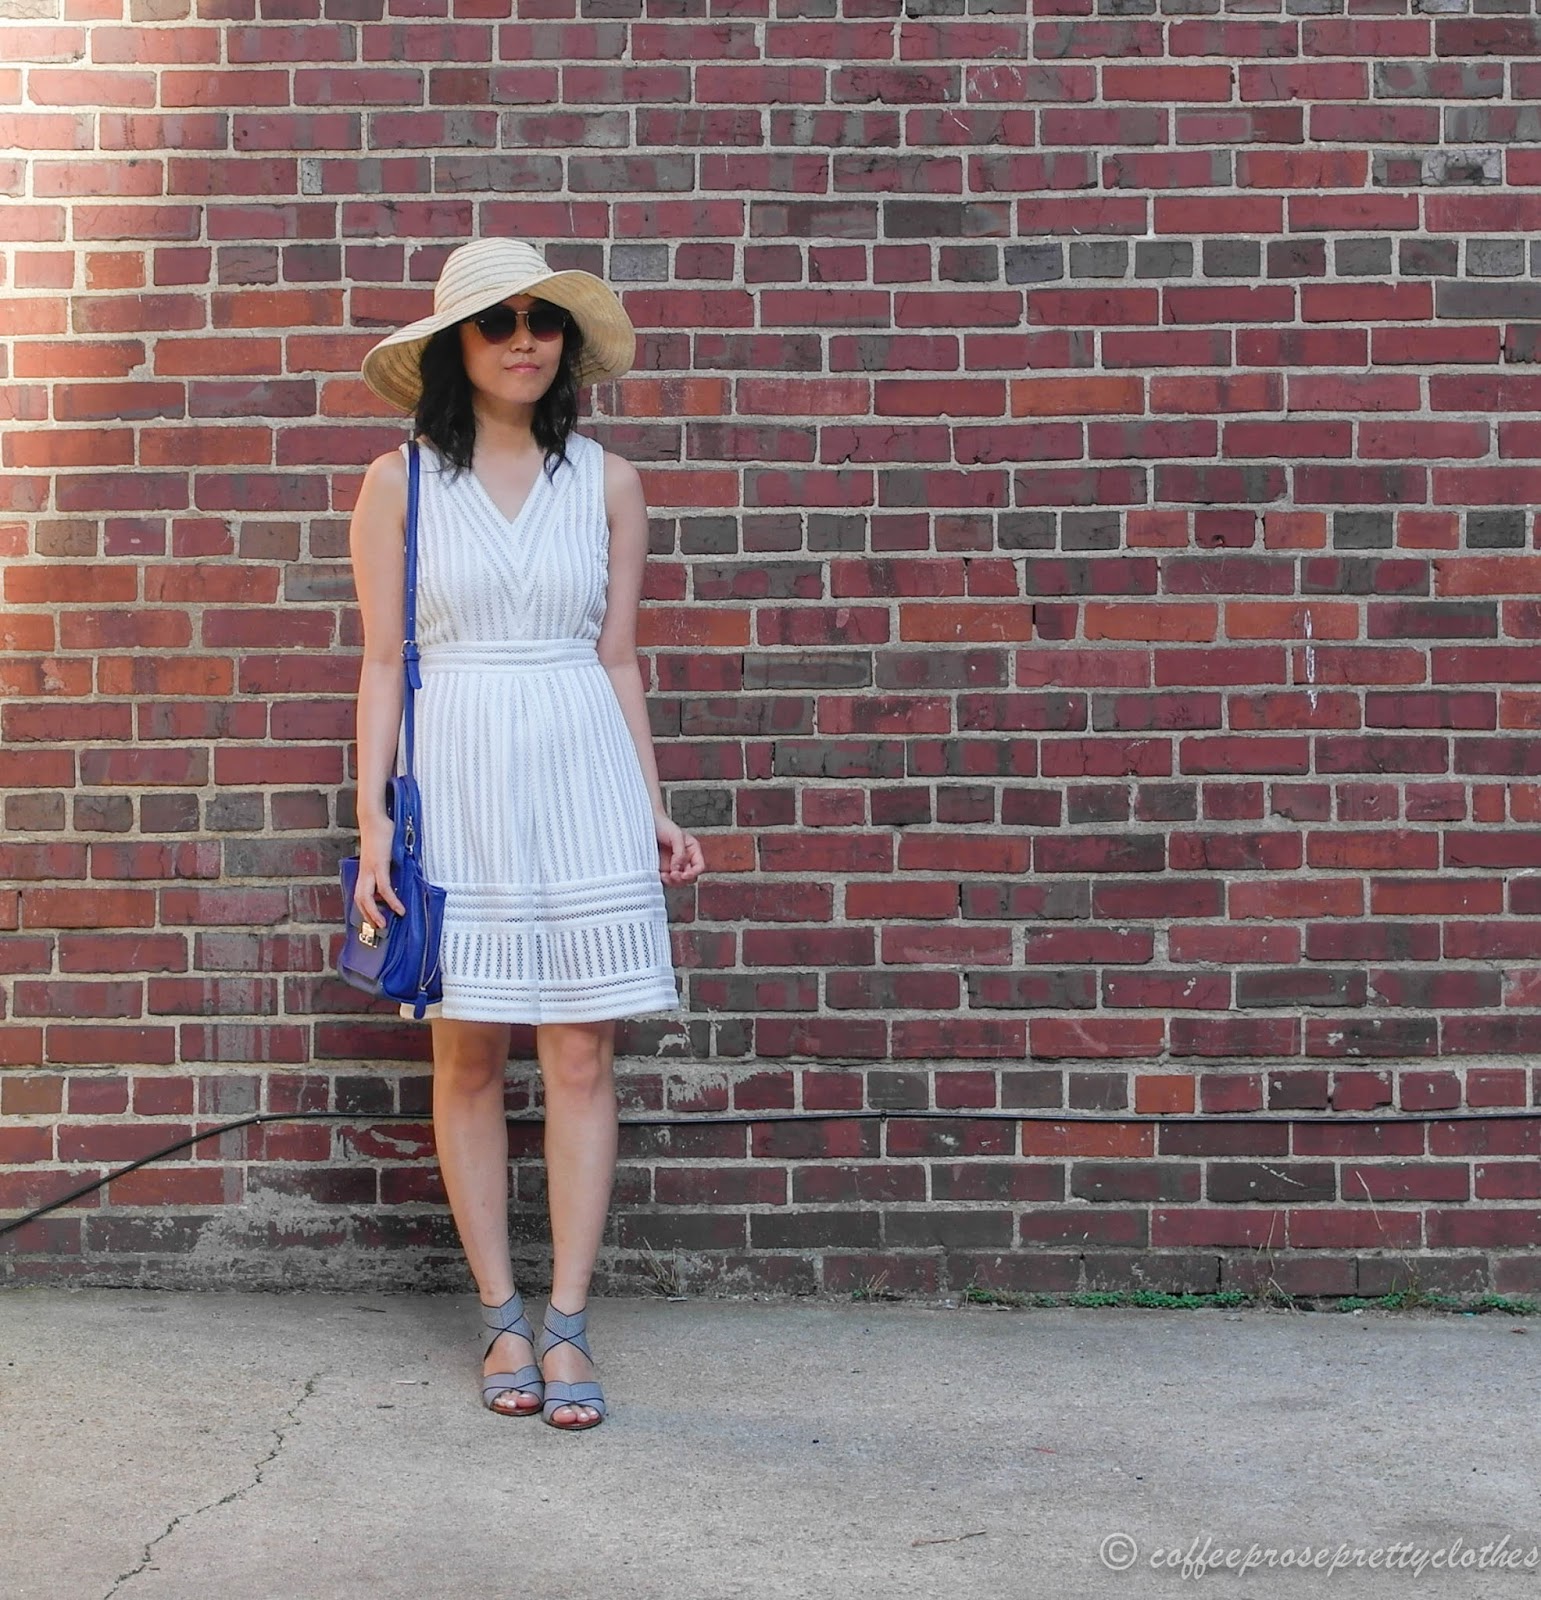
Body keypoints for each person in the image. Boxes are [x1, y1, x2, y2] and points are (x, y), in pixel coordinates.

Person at [347, 236, 705, 1430]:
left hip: (580, 768)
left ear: (564, 344)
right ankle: (499, 1310)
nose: (522, 341)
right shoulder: (399, 479)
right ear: (456, 346)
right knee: (466, 1055)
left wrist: (650, 802)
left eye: (541, 322)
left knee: (580, 1055)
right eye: (497, 323)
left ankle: (566, 1322)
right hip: (458, 771)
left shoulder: (604, 480)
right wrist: (371, 822)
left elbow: (617, 657)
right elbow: (381, 662)